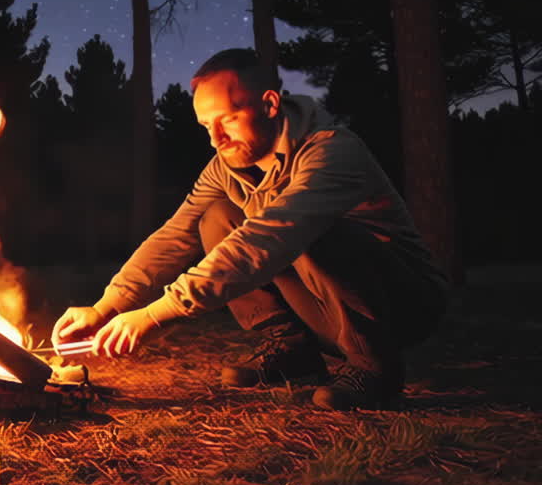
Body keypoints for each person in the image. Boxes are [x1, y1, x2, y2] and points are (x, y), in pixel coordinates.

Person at [52, 48, 449, 410]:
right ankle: (293, 349)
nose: (215, 139)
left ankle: (374, 366)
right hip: (324, 311)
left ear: (270, 104)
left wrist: (157, 314)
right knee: (216, 218)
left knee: (304, 228)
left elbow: (268, 238)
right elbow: (176, 234)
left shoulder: (332, 150)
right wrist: (107, 306)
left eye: (227, 119)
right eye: (206, 124)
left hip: (403, 306)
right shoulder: (225, 168)